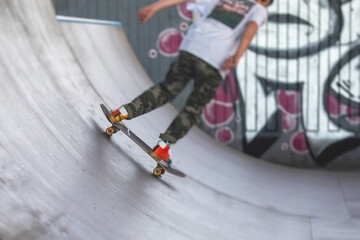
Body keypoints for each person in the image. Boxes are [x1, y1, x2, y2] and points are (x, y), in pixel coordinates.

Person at [108, 0, 273, 166]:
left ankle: (122, 112)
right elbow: (251, 28)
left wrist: (155, 7)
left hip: (192, 47)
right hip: (215, 61)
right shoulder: (258, 9)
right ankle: (162, 147)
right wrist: (238, 55)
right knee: (193, 107)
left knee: (166, 89)